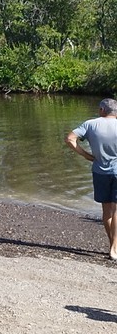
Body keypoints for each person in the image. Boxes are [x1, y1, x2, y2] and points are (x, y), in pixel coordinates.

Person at [65, 98, 117, 259]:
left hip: (99, 171)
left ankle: (112, 246)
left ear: (102, 109)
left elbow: (70, 139)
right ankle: (115, 248)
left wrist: (86, 155)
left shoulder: (90, 124)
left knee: (106, 210)